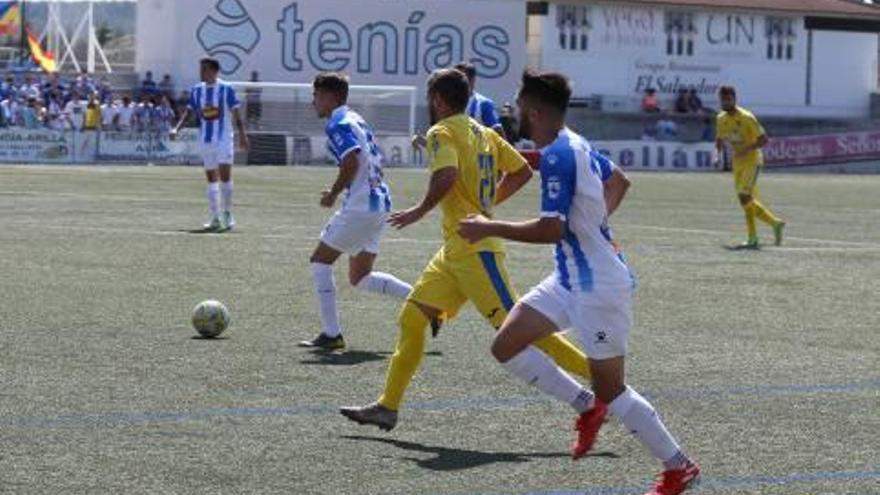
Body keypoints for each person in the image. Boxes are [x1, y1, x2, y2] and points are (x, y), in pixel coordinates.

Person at [457, 70, 700, 495]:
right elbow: (620, 181)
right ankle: (587, 407)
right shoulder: (573, 142)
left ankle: (678, 466)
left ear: (535, 111)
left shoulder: (559, 155)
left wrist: (488, 228)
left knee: (613, 388)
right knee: (506, 344)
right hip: (570, 277)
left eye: (519, 108)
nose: (516, 116)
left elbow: (551, 229)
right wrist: (593, 228)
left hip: (597, 287)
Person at [340, 68, 592, 431]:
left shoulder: (441, 131)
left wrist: (419, 211)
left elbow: (447, 176)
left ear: (438, 100)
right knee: (412, 318)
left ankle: (601, 378)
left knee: (520, 329)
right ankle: (387, 406)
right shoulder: (482, 131)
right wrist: (487, 202)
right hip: (454, 252)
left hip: (476, 251)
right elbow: (521, 170)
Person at [296, 73, 419, 351]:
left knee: (320, 261)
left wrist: (333, 193)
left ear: (330, 97)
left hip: (361, 206)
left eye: (316, 96)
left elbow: (351, 161)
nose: (313, 102)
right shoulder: (356, 118)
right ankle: (423, 301)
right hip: (379, 203)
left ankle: (331, 334)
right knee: (360, 277)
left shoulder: (338, 123)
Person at [170, 57, 249, 232]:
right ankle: (215, 217)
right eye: (200, 69)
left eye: (204, 69)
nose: (201, 73)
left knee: (225, 175)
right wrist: (176, 128)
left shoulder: (226, 89)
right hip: (206, 139)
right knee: (211, 178)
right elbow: (189, 113)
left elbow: (236, 114)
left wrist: (242, 136)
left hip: (223, 139)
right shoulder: (197, 91)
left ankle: (227, 214)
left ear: (214, 71)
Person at [714, 85, 784, 249]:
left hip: (752, 161)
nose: (726, 102)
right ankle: (775, 223)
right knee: (744, 199)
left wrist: (747, 148)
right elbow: (719, 140)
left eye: (729, 99)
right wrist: (716, 156)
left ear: (735, 99)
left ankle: (753, 238)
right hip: (737, 163)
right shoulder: (721, 118)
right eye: (723, 99)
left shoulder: (747, 117)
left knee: (744, 196)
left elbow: (764, 139)